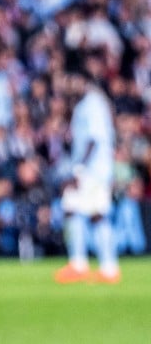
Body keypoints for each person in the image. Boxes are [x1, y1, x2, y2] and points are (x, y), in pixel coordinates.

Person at [54, 64, 120, 284]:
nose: (67, 86)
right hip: (92, 169)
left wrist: (78, 171)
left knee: (93, 213)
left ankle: (102, 267)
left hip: (94, 170)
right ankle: (87, 265)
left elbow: (94, 139)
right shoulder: (84, 104)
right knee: (78, 210)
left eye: (71, 81)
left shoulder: (93, 104)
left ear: (82, 81)